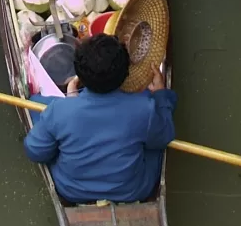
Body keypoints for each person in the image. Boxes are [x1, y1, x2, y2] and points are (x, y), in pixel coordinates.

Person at [23, 34, 175, 205]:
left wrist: (70, 106)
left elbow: (35, 151)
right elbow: (164, 137)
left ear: (78, 75)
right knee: (156, 142)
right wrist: (161, 96)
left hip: (72, 190)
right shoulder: (145, 108)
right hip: (132, 190)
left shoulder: (59, 110)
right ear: (126, 73)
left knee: (36, 106)